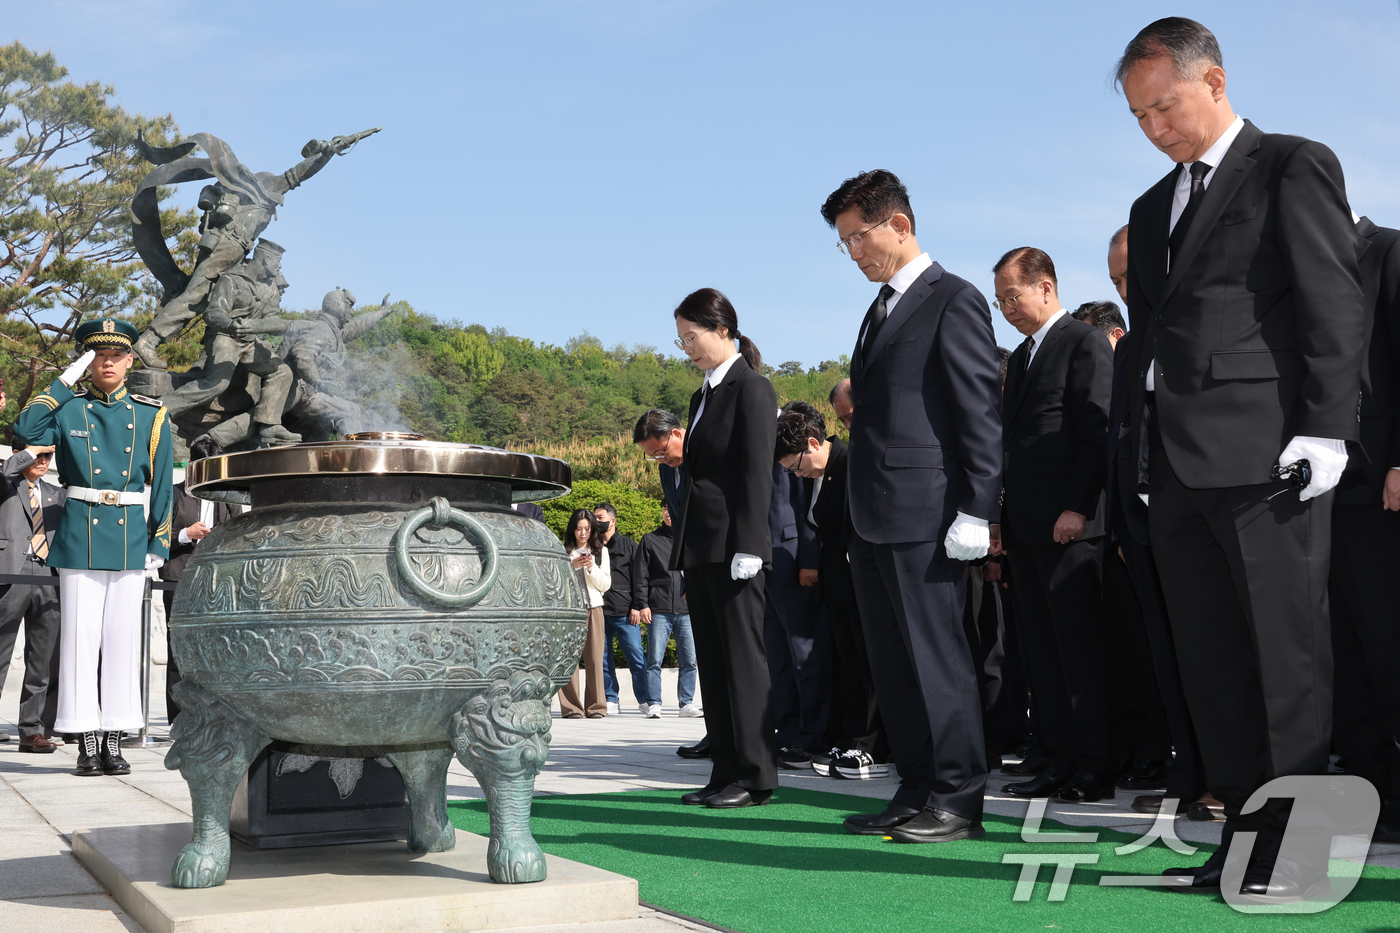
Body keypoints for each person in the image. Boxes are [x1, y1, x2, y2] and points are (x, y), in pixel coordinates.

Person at [1118, 18, 1365, 898]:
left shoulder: (1292, 164)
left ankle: (1303, 856)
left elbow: (1334, 299)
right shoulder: (1152, 207)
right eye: (1139, 117)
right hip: (1178, 470)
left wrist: (1326, 427)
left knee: (1286, 662)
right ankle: (1241, 845)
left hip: (1271, 459)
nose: (1155, 128)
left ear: (1214, 82)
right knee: (1212, 665)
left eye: (1165, 107)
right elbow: (1148, 339)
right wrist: (1138, 456)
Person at [821, 170, 1001, 842]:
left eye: (858, 237)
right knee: (894, 663)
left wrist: (977, 507)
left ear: (898, 224)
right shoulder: (880, 308)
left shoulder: (953, 298)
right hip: (873, 516)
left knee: (938, 659)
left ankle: (958, 797)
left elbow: (978, 411)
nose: (853, 253)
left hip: (928, 512)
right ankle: (918, 786)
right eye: (844, 242)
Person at [15, 318, 174, 777]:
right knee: (79, 642)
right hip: (80, 534)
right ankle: (86, 740)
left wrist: (159, 540)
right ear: (89, 363)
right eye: (98, 356)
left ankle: (114, 739)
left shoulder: (151, 415)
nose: (107, 363)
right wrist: (64, 380)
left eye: (115, 355)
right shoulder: (69, 409)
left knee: (122, 643)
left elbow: (163, 484)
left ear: (129, 361)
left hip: (128, 537)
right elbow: (26, 427)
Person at [993, 247, 1115, 803]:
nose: (1007, 310)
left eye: (1012, 297)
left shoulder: (1083, 341)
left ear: (1045, 287)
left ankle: (1094, 766)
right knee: (1042, 653)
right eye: (1000, 302)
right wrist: (1000, 520)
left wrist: (1078, 506)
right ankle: (1058, 759)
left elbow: (1096, 430)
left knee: (1081, 652)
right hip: (1025, 528)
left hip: (1071, 527)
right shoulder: (1021, 357)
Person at [1101, 224, 1212, 817]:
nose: (1123, 290)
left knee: (1209, 651)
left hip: (1199, 515)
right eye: (1115, 280)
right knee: (1166, 656)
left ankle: (1229, 779)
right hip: (1142, 526)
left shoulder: (1201, 325)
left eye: (1130, 276)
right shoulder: (1127, 348)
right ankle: (1188, 775)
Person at [669, 287, 777, 809]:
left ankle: (755, 774)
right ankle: (725, 769)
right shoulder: (702, 397)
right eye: (681, 340)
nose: (687, 348)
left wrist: (750, 543)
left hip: (736, 548)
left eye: (692, 336)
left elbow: (756, 471)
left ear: (723, 330)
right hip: (702, 548)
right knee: (713, 664)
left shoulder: (751, 388)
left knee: (742, 663)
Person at [1071, 297, 1174, 792]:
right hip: (1116, 533)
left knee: (1154, 648)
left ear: (1111, 336)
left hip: (1151, 528)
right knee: (1125, 651)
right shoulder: (1113, 376)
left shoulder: (1142, 356)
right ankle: (1137, 746)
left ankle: (1159, 750)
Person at [1329, 214, 1400, 844]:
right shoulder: (1299, 264)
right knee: (1340, 650)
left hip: (1379, 482)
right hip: (1315, 489)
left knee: (1386, 640)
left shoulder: (1390, 251)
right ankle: (1365, 791)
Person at [775, 401, 888, 780]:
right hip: (838, 586)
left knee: (868, 666)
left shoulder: (852, 462)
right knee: (849, 666)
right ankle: (850, 737)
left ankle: (873, 745)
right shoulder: (821, 472)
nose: (798, 474)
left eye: (796, 466)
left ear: (812, 443)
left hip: (862, 583)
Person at [634, 408, 709, 759]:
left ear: (677, 434)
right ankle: (714, 733)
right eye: (653, 457)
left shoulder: (702, 458)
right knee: (660, 657)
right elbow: (680, 525)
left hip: (720, 562)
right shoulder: (668, 470)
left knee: (696, 659)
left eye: (661, 451)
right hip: (687, 580)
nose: (661, 460)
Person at [161, 436, 238, 723]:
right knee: (178, 649)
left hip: (217, 582)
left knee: (216, 648)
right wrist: (185, 534)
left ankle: (214, 716)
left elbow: (238, 535)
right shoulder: (172, 494)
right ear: (191, 465)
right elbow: (154, 538)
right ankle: (178, 718)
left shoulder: (228, 497)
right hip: (178, 579)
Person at [765, 444, 827, 769]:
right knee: (778, 657)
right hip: (762, 563)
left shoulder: (788, 436)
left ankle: (813, 736)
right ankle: (788, 730)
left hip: (792, 559)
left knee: (805, 657)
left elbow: (806, 501)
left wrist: (809, 558)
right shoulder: (753, 436)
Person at [0, 443, 65, 752]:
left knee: (41, 660)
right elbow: (6, 470)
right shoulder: (7, 483)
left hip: (48, 575)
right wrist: (33, 447)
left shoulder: (56, 493)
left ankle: (31, 731)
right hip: (11, 573)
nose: (43, 461)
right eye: (38, 455)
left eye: (47, 456)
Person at [638, 503, 700, 717]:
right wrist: (643, 604)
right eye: (664, 508)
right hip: (658, 608)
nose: (668, 513)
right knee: (654, 659)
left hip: (687, 610)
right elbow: (641, 576)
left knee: (689, 660)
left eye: (671, 508)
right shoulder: (650, 540)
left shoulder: (691, 539)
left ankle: (686, 703)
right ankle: (654, 703)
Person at [593, 502, 647, 716]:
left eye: (600, 518)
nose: (597, 521)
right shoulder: (593, 547)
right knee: (603, 658)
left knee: (636, 655)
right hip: (600, 611)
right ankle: (610, 698)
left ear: (612, 521)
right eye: (595, 518)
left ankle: (645, 699)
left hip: (626, 612)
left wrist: (637, 606)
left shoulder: (629, 546)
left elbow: (640, 578)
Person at [557, 509, 610, 719]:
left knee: (595, 659)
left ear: (592, 530)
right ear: (573, 530)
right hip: (570, 611)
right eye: (579, 529)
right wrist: (571, 567)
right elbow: (556, 582)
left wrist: (591, 568)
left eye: (587, 529)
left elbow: (605, 585)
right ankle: (571, 708)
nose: (583, 533)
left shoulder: (600, 551)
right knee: (569, 659)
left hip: (594, 609)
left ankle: (596, 707)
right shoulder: (562, 551)